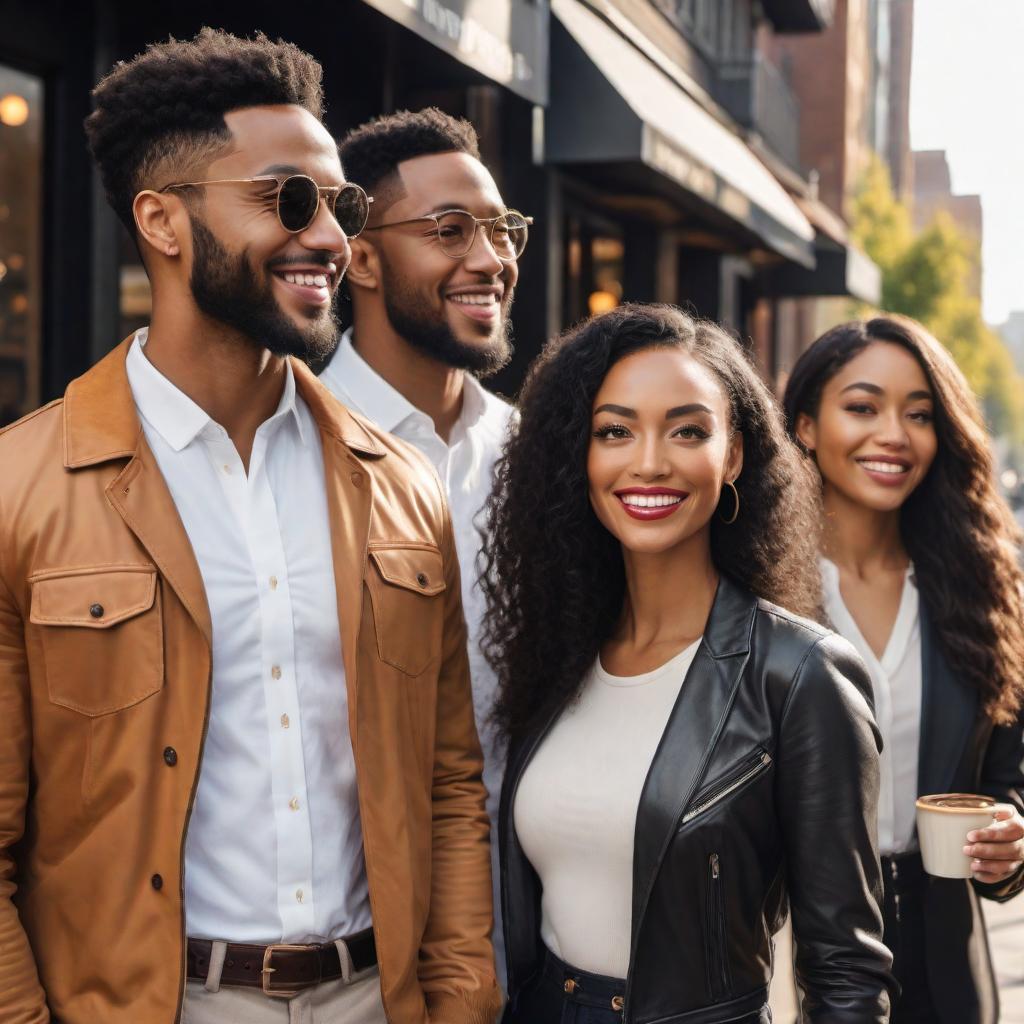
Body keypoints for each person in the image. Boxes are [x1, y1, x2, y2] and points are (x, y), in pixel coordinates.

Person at [0, 30, 500, 1024]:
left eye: (340, 205)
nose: (330, 237)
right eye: (289, 200)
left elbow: (448, 785)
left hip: (375, 999)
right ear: (163, 221)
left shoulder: (401, 483)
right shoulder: (22, 485)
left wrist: (461, 996)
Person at [482, 303, 895, 1023]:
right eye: (615, 431)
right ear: (580, 453)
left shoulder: (800, 676)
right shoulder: (556, 656)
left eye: (687, 431)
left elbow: (847, 975)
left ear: (732, 455)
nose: (648, 460)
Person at [318, 107, 525, 978]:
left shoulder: (537, 454)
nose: (491, 260)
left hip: (527, 935)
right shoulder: (294, 441)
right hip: (356, 952)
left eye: (501, 230)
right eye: (449, 231)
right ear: (360, 256)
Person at [783, 315, 1024, 1024]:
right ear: (805, 426)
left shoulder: (981, 589)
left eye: (919, 414)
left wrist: (1010, 842)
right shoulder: (753, 593)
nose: (894, 434)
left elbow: (1010, 772)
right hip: (795, 959)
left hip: (946, 963)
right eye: (862, 407)